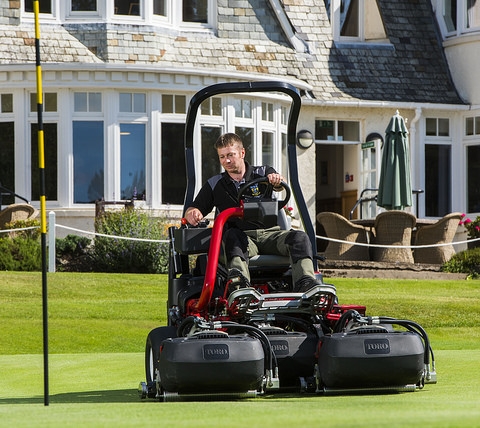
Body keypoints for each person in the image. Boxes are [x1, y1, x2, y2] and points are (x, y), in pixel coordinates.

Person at [184, 132, 321, 292]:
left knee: (300, 238)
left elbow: (278, 183)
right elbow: (194, 207)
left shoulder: (262, 173)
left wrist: (276, 181)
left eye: (230, 155)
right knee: (232, 236)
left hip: (270, 235)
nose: (226, 161)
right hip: (242, 238)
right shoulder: (215, 184)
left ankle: (306, 284)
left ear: (242, 153)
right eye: (222, 157)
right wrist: (192, 213)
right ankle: (240, 285)